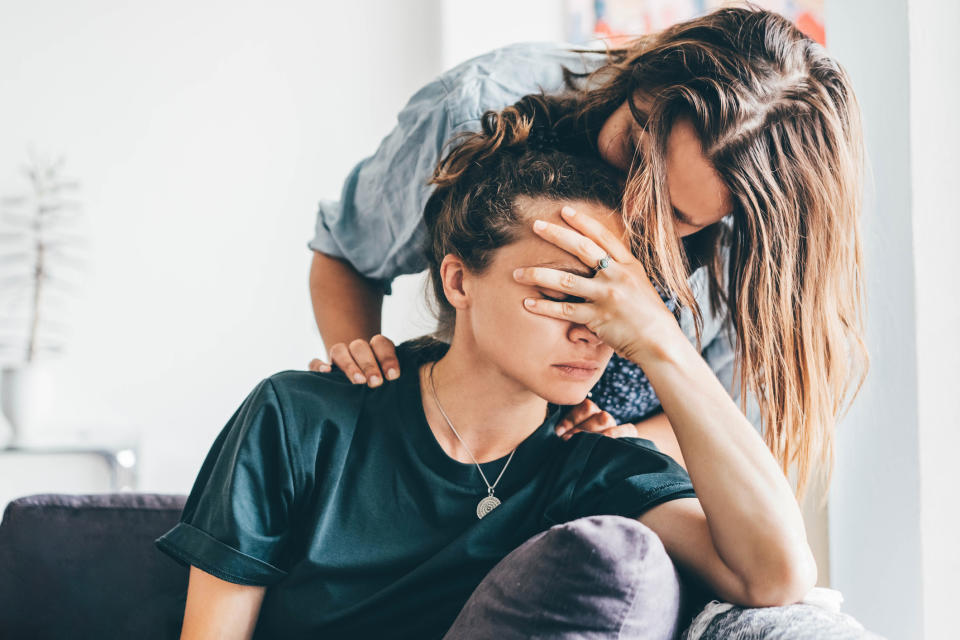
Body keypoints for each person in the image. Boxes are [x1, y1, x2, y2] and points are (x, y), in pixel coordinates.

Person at [156, 106, 816, 638]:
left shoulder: (592, 470)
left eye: (616, 302)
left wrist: (662, 345)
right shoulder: (299, 418)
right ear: (459, 280)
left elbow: (778, 579)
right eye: (563, 289)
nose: (592, 330)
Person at [307, 6, 867, 500]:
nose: (629, 211)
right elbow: (347, 253)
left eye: (674, 216)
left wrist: (615, 447)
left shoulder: (755, 239)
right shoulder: (474, 105)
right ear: (634, 83)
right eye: (630, 151)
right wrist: (365, 378)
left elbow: (728, 421)